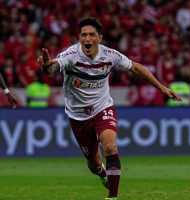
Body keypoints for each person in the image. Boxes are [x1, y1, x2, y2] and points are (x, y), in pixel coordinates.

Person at [37, 17, 181, 200]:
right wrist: (46, 67)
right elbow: (53, 67)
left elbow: (135, 68)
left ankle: (113, 196)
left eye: (91, 35)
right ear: (79, 37)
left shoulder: (109, 55)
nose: (87, 39)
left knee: (111, 146)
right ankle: (102, 173)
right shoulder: (71, 55)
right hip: (78, 116)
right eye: (84, 35)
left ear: (99, 38)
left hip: (102, 108)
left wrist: (161, 87)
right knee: (94, 164)